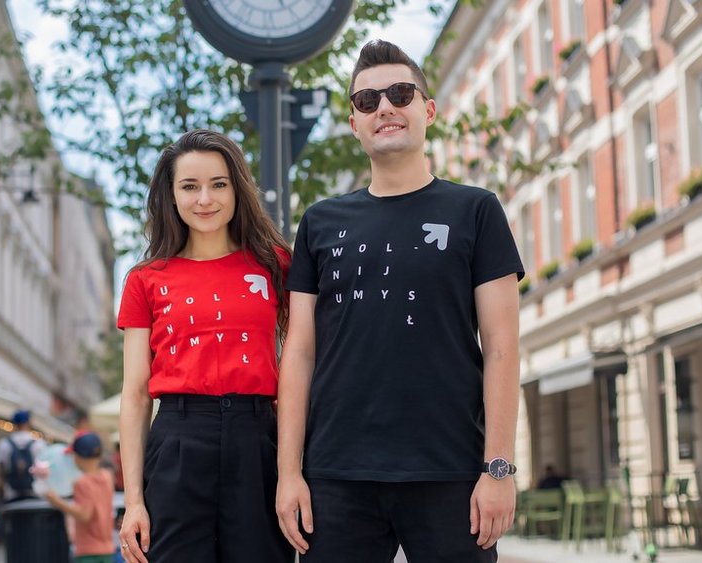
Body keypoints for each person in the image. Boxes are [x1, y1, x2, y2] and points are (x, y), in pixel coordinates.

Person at [275, 40, 525, 563]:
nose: (384, 107)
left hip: (451, 471)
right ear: (353, 123)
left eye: (400, 93)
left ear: (427, 110)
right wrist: (289, 473)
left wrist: (498, 469)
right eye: (367, 101)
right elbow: (298, 353)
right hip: (335, 475)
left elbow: (502, 348)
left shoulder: (476, 211)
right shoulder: (319, 223)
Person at [117, 129, 294, 563]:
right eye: (190, 186)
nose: (205, 199)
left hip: (257, 440)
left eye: (218, 184)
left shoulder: (275, 264)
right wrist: (133, 501)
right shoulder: (145, 279)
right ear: (171, 196)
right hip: (177, 438)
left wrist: (293, 471)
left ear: (237, 189)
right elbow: (136, 394)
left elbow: (300, 366)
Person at [45, 432, 115, 563]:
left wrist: (57, 502)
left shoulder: (82, 483)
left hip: (88, 550)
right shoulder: (107, 477)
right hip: (107, 548)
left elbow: (84, 515)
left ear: (79, 457)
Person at [0, 409, 45, 501]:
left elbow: (1, 471)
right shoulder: (38, 444)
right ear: (28, 423)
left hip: (11, 494)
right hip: (34, 493)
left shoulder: (4, 444)